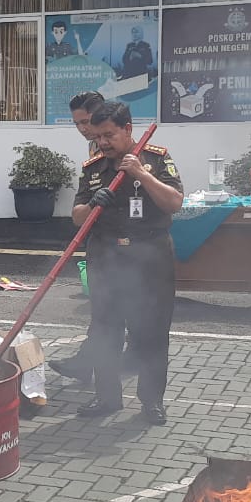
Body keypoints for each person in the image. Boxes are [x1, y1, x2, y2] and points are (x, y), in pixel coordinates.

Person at [72, 101, 183, 425]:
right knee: (105, 329)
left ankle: (152, 402)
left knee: (152, 332)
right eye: (98, 136)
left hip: (150, 257)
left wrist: (140, 175)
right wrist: (92, 205)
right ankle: (107, 397)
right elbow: (77, 217)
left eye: (109, 135)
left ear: (128, 129)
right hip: (107, 256)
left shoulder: (156, 159)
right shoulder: (93, 168)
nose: (102, 142)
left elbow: (174, 202)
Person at [51, 91, 129, 383]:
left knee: (117, 314)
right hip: (101, 239)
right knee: (105, 312)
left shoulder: (115, 147)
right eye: (77, 124)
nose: (83, 129)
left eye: (86, 122)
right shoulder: (94, 150)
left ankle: (97, 364)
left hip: (126, 242)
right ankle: (91, 363)